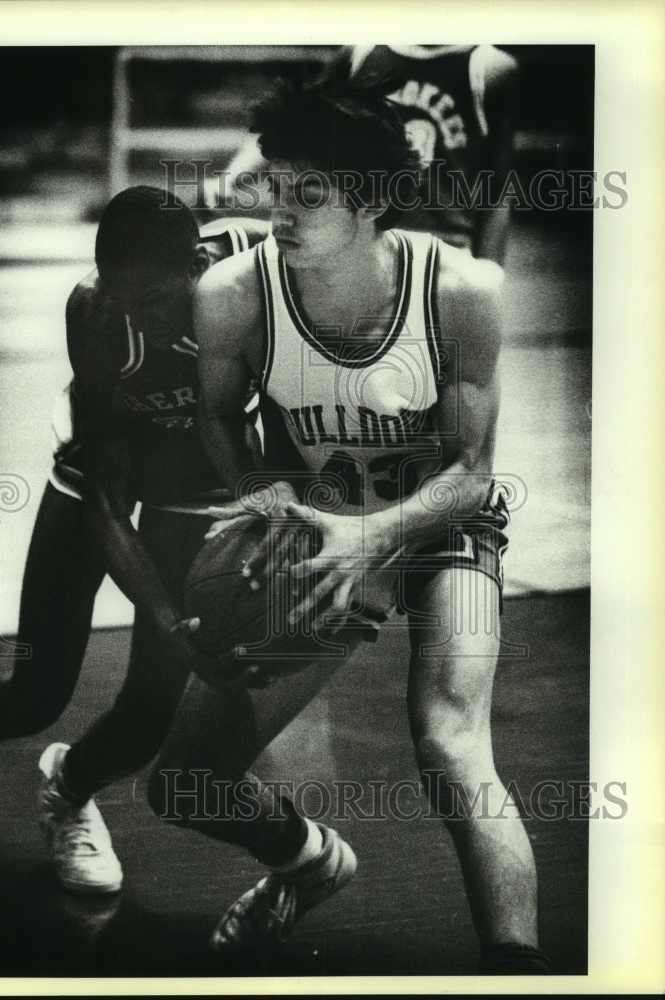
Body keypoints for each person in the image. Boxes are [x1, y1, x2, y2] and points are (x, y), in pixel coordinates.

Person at [146, 78, 548, 974]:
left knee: (450, 742)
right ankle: (308, 863)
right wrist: (264, 499)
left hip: (440, 524)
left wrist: (374, 536)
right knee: (180, 784)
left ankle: (520, 971)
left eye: (306, 193)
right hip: (319, 521)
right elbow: (218, 418)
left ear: (367, 201)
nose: (277, 212)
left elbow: (470, 473)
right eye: (273, 186)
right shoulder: (233, 293)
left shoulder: (463, 289)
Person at [0, 186, 269, 895]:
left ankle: (67, 790)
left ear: (198, 262)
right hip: (101, 481)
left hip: (198, 488)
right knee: (39, 690)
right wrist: (166, 618)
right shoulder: (96, 310)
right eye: (130, 306)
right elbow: (104, 497)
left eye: (155, 300)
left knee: (150, 713)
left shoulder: (262, 269)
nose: (145, 323)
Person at [208, 44, 517, 266]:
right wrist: (231, 178)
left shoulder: (489, 68)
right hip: (367, 241)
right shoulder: (361, 55)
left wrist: (490, 271)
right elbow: (291, 123)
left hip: (444, 245)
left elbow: (498, 189)